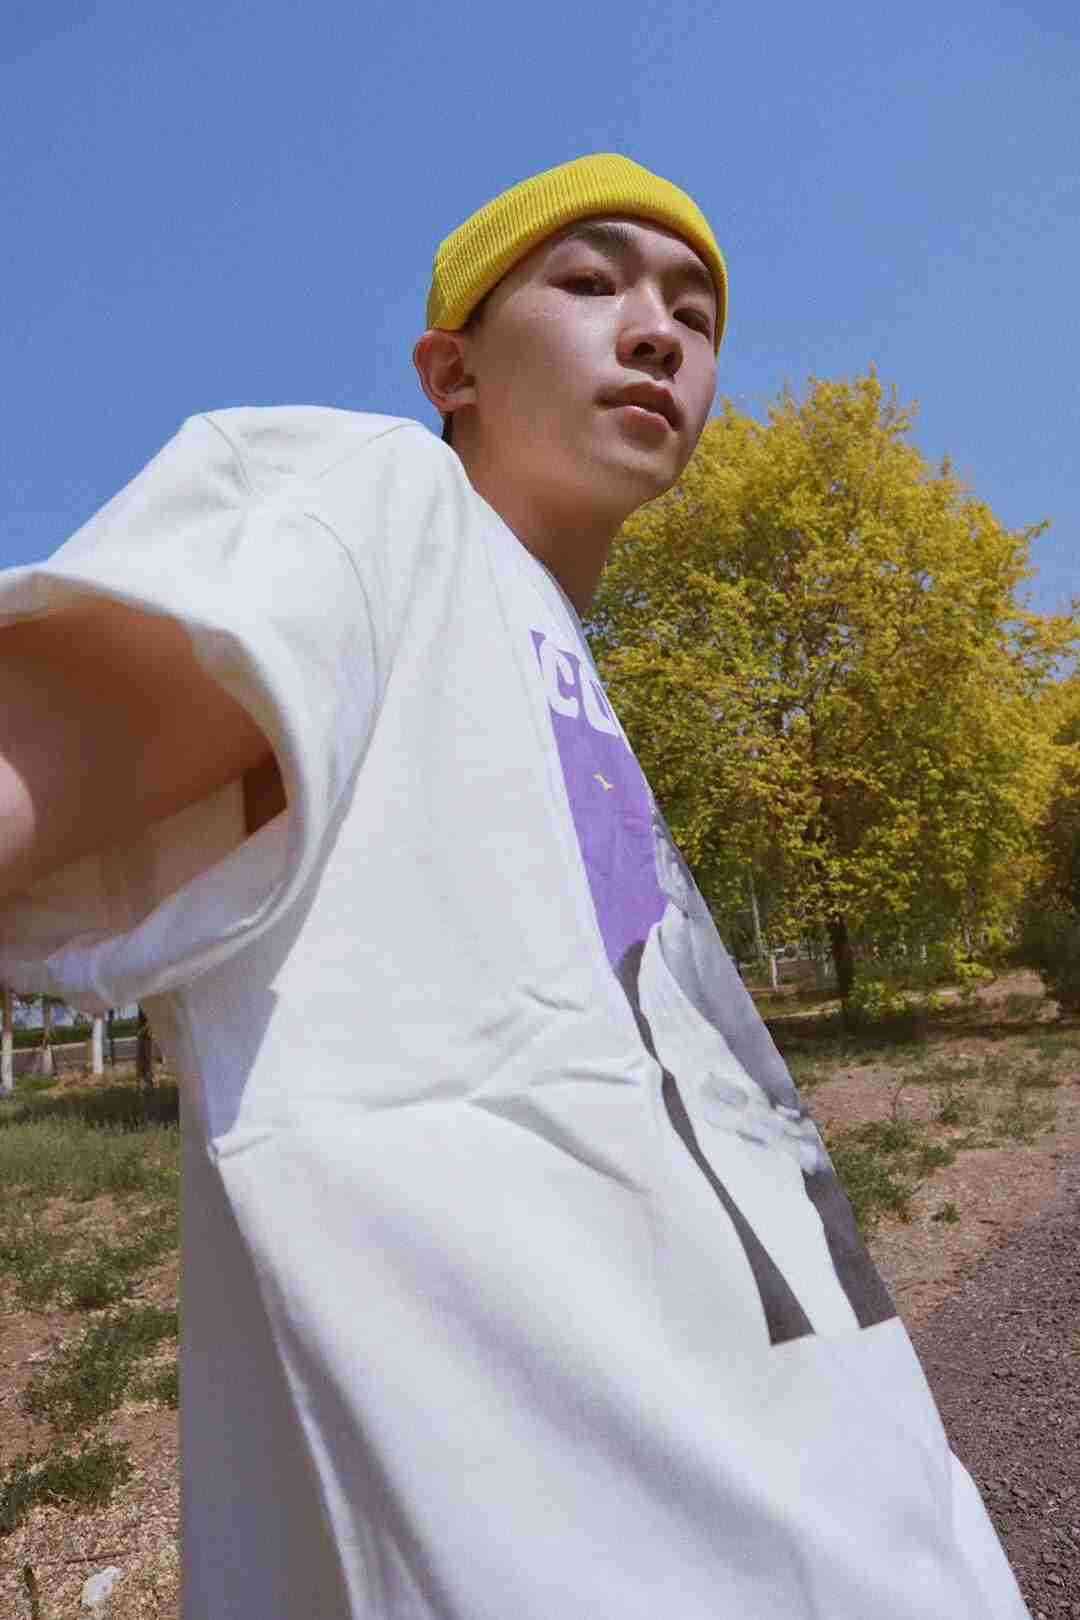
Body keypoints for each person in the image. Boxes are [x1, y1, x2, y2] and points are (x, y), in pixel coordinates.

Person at [0, 154, 1031, 1620]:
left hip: (869, 1515)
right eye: (592, 282)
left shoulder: (547, 662)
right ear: (453, 369)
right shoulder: (378, 510)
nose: (659, 332)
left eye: (696, 314)